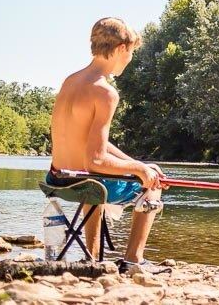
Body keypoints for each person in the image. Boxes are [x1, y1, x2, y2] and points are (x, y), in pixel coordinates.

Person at [47, 17, 163, 270]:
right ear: (121, 49)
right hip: (86, 182)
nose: (130, 59)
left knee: (132, 172)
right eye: (131, 52)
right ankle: (134, 260)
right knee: (153, 184)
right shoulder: (105, 92)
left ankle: (93, 256)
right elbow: (96, 160)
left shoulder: (71, 80)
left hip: (56, 178)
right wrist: (142, 172)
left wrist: (136, 164)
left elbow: (91, 144)